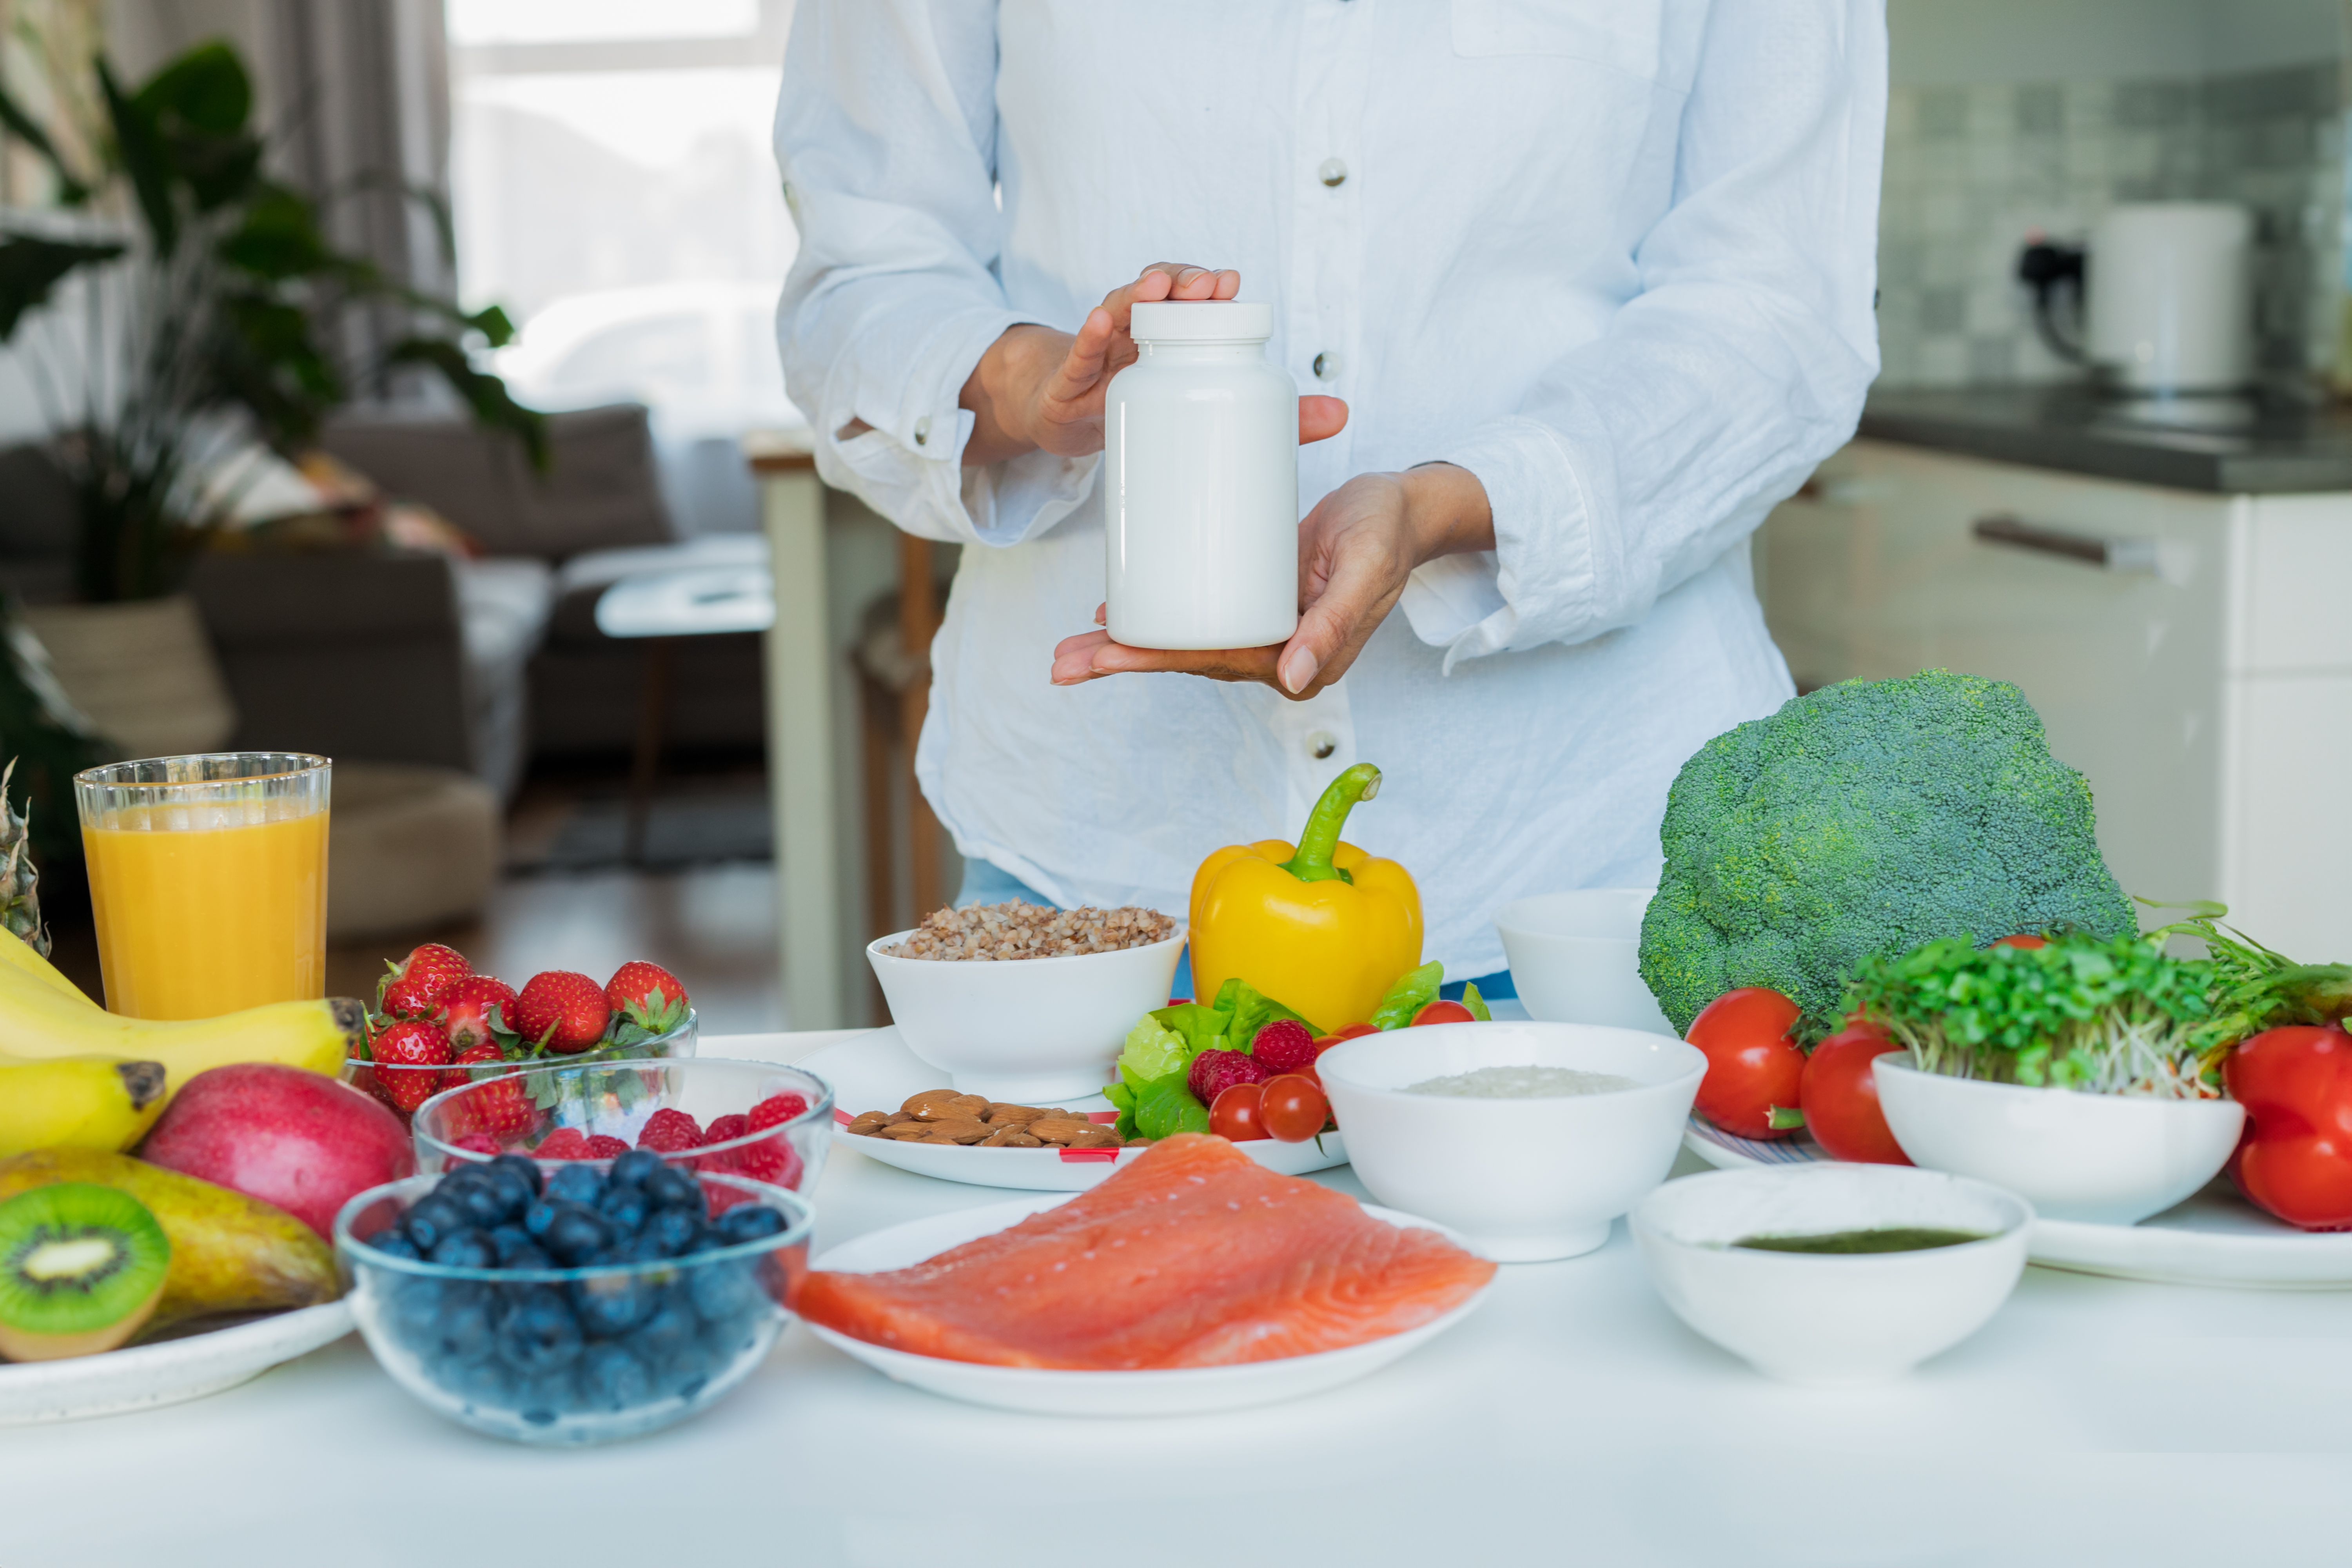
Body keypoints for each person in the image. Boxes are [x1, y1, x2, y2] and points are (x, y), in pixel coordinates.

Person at [774, 3, 1886, 998]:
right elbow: (865, 263)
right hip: (1098, 860)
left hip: (1585, 866)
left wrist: (1456, 505)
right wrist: (1025, 385)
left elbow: (1774, 311)